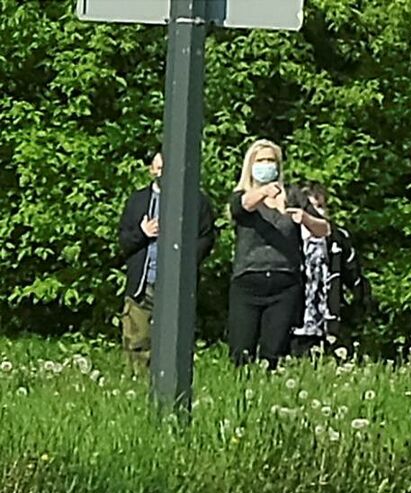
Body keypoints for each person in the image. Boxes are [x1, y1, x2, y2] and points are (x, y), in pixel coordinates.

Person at [227, 139, 328, 369]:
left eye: (271, 160)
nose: (266, 165)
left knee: (273, 353)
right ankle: (240, 395)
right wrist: (264, 192)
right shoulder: (242, 195)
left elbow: (325, 229)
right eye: (261, 160)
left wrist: (305, 218)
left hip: (284, 282)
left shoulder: (292, 195)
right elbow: (243, 206)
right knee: (241, 352)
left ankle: (266, 391)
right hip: (249, 280)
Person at [116, 150, 216, 374]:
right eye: (158, 168)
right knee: (137, 340)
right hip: (143, 285)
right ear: (152, 170)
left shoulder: (195, 201)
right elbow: (123, 241)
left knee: (174, 343)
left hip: (176, 286)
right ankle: (137, 386)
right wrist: (142, 233)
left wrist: (186, 260)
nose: (162, 172)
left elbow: (207, 238)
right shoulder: (138, 201)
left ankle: (172, 385)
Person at [291, 181, 373, 358]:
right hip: (293, 320)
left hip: (328, 321)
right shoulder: (288, 236)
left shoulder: (337, 238)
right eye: (310, 207)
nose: (315, 213)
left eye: (320, 207)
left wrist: (357, 308)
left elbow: (354, 276)